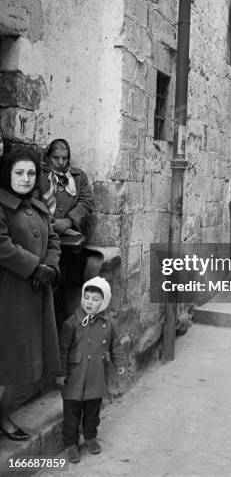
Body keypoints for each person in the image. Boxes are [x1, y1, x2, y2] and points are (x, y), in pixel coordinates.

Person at [0, 147, 60, 440]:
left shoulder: (37, 208)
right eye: (19, 173)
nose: (26, 179)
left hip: (34, 293)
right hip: (8, 295)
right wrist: (35, 267)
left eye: (31, 173)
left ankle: (3, 415)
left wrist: (50, 265)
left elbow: (55, 240)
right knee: (5, 358)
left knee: (16, 362)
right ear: (8, 174)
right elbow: (2, 245)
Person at [56, 277, 126, 463]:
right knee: (71, 413)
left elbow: (115, 345)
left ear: (103, 302)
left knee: (93, 410)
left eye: (95, 299)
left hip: (96, 375)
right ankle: (71, 443)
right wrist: (61, 373)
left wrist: (120, 363)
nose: (89, 302)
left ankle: (90, 437)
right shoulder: (72, 323)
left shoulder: (108, 323)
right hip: (75, 377)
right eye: (86, 297)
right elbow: (62, 350)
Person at [39, 139, 98, 325]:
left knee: (61, 287)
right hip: (41, 237)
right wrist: (47, 222)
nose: (60, 162)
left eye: (64, 158)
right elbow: (30, 198)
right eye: (56, 157)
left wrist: (69, 220)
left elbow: (87, 202)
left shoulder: (78, 177)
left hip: (68, 242)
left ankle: (57, 328)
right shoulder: (39, 175)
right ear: (48, 157)